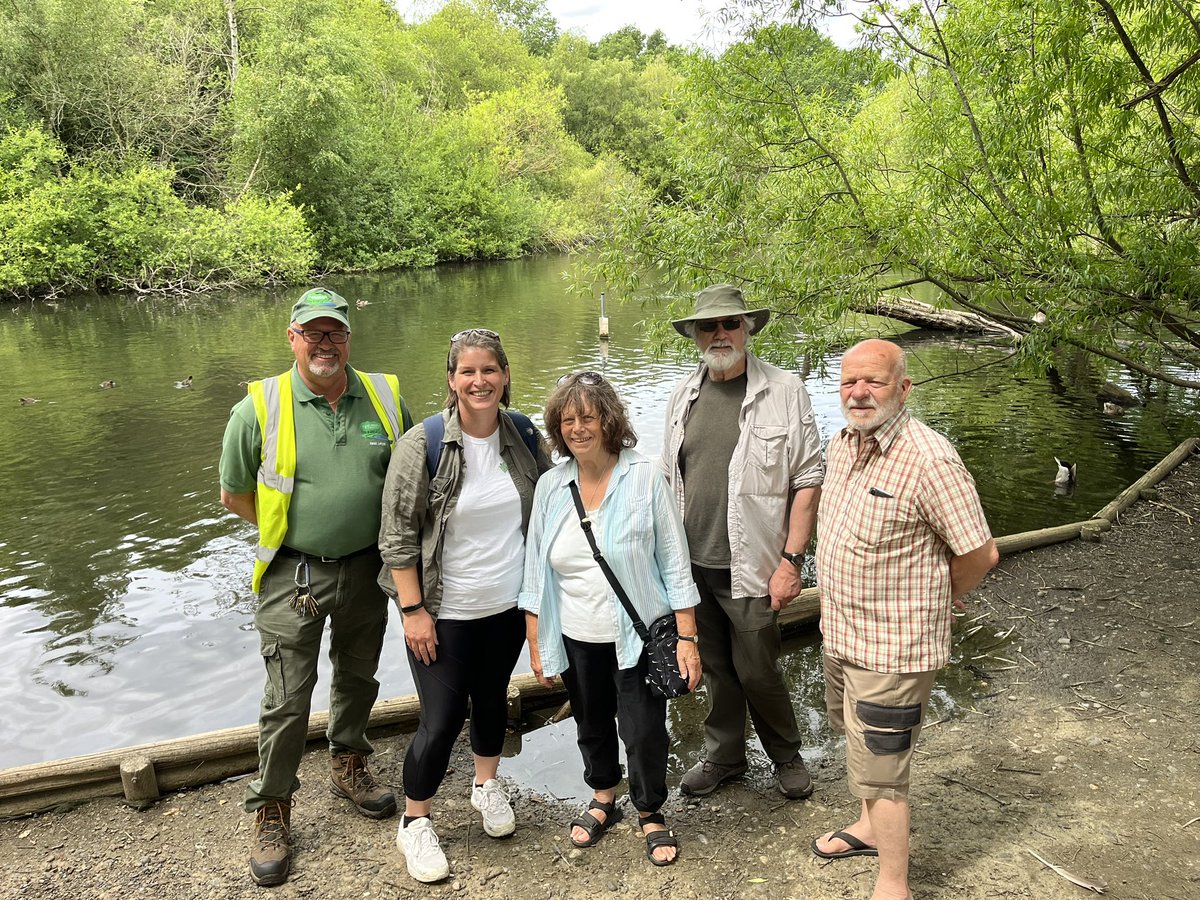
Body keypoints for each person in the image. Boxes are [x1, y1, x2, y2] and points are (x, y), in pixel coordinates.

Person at [219, 287, 411, 887]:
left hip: (367, 569)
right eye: (313, 333)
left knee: (359, 675)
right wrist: (298, 534)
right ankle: (272, 807)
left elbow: (408, 476)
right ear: (293, 338)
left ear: (348, 338)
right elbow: (234, 495)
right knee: (286, 696)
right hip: (293, 574)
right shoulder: (258, 407)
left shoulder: (384, 396)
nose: (325, 344)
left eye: (335, 333)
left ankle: (348, 762)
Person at [812, 339, 999, 900]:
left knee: (885, 771)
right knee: (861, 746)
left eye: (874, 381)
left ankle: (894, 885)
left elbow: (979, 553)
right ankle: (867, 829)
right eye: (849, 382)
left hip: (893, 647)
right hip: (842, 634)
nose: (859, 393)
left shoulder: (929, 458)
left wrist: (941, 598)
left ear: (903, 388)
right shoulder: (844, 442)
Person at [378, 328, 551, 884]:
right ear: (451, 381)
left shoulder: (522, 434)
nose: (480, 381)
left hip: (505, 604)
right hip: (442, 611)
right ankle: (415, 820)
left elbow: (554, 500)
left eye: (490, 370)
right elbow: (398, 537)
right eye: (468, 372)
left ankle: (485, 785)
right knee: (442, 717)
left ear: (505, 376)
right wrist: (412, 612)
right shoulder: (421, 444)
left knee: (493, 700)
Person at [521, 372, 702, 866]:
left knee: (643, 730)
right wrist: (538, 642)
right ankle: (604, 797)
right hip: (577, 635)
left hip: (638, 633)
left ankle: (649, 810)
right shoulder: (551, 486)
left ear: (608, 420)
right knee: (591, 723)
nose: (578, 428)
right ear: (558, 428)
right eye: (568, 419)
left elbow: (675, 560)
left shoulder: (643, 475)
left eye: (588, 417)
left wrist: (687, 636)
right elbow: (535, 568)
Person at [661, 284, 824, 800]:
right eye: (708, 325)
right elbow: (667, 479)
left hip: (754, 564)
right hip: (692, 563)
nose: (720, 333)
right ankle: (725, 756)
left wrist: (791, 560)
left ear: (748, 329)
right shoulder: (683, 395)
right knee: (715, 669)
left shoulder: (783, 390)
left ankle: (786, 755)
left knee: (757, 668)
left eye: (730, 323)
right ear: (694, 335)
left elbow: (808, 479)